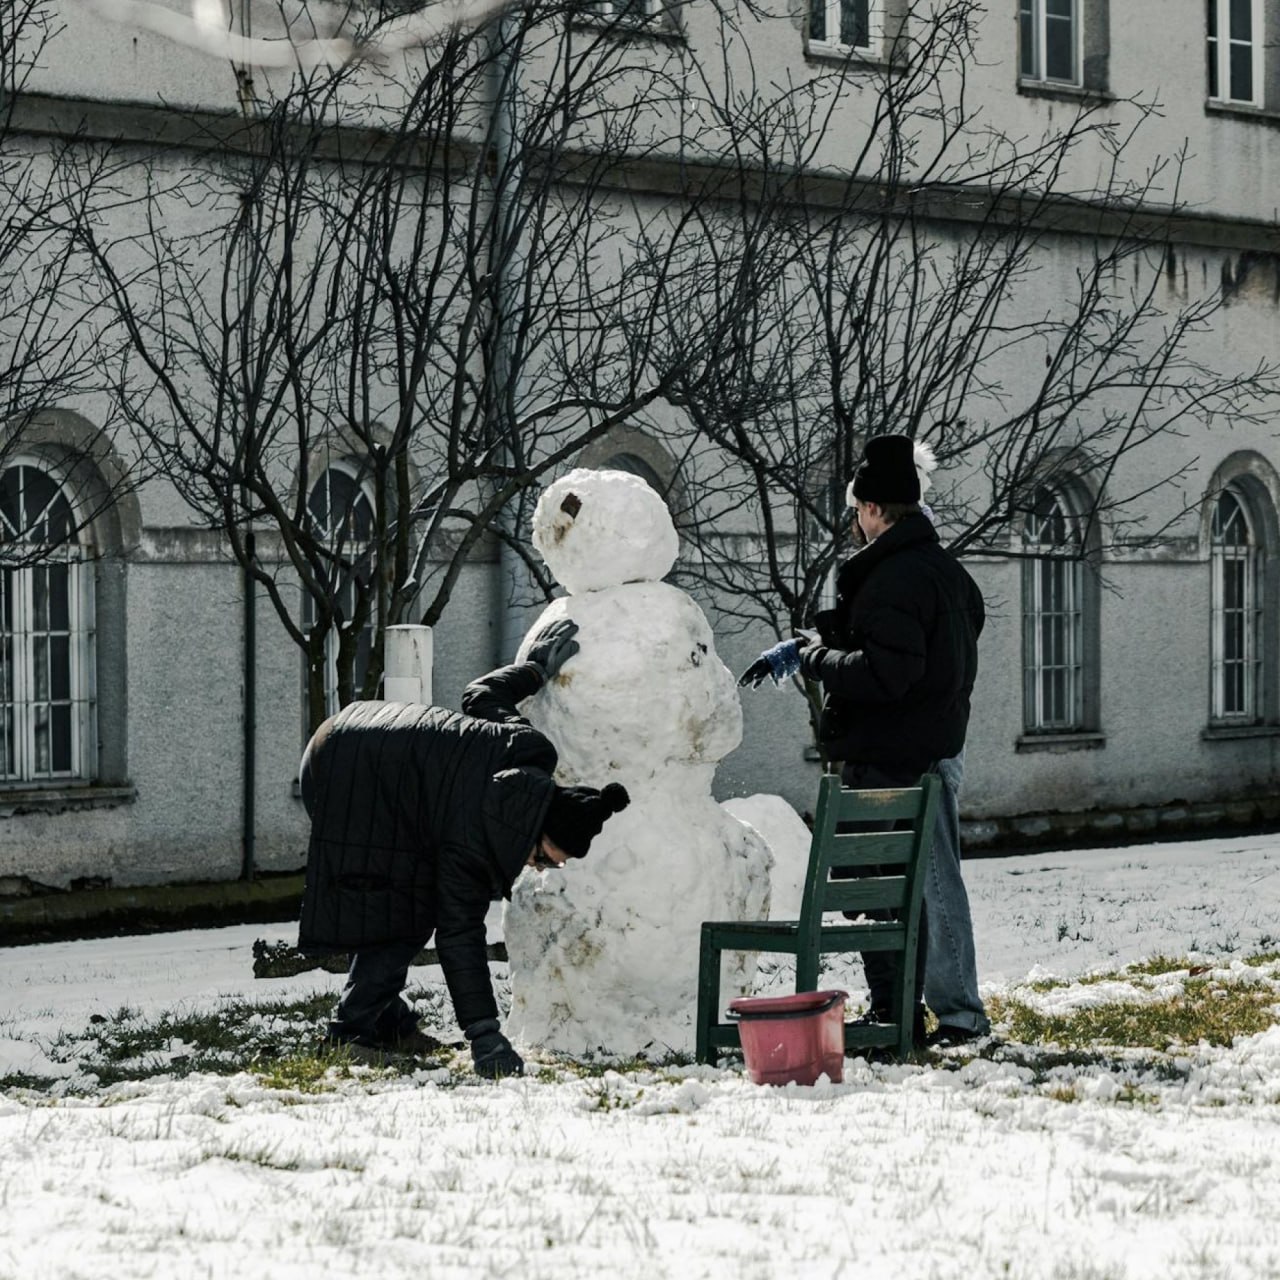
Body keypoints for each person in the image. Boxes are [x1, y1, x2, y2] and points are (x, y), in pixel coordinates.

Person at [738, 434, 989, 1048]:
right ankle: (899, 1011)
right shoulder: (939, 572)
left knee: (922, 886)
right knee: (892, 891)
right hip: (924, 751)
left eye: (858, 510)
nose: (854, 521)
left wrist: (819, 659)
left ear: (875, 509)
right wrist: (807, 645)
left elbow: (887, 670)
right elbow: (906, 638)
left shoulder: (896, 577)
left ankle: (958, 1016)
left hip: (906, 761)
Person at [297, 618, 631, 1078]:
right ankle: (349, 1033)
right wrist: (485, 1037)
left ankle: (383, 1019)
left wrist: (533, 670)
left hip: (356, 728)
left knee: (396, 904)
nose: (544, 868)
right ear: (537, 831)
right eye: (549, 858)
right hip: (343, 773)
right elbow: (460, 939)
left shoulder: (529, 751)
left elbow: (482, 695)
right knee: (404, 915)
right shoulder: (475, 842)